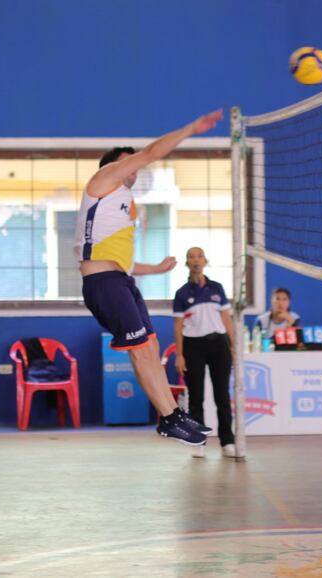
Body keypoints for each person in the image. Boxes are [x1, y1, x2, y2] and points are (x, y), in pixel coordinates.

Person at [74, 110, 224, 447]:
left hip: (120, 280)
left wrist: (155, 269)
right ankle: (169, 418)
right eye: (129, 163)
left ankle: (173, 413)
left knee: (151, 346)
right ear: (111, 166)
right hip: (105, 284)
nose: (135, 167)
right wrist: (189, 128)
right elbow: (153, 152)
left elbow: (117, 258)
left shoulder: (123, 206)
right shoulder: (104, 181)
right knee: (141, 349)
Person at [173, 247, 237, 458]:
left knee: (222, 396)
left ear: (205, 261)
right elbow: (178, 326)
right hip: (193, 347)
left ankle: (227, 441)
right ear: (187, 263)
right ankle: (198, 441)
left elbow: (227, 319)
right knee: (196, 397)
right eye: (191, 256)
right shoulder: (182, 293)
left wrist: (233, 346)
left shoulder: (216, 288)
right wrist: (180, 355)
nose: (196, 260)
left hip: (218, 344)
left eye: (199, 256)